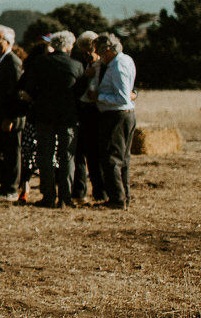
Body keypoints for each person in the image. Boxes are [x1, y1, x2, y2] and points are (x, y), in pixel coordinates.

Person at [18, 29, 85, 208]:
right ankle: (66, 197)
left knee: (45, 156)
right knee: (67, 157)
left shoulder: (40, 63)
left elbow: (29, 89)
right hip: (68, 116)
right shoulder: (76, 65)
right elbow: (80, 92)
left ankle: (48, 196)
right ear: (69, 46)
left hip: (43, 115)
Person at [92, 33, 138, 208]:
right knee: (123, 159)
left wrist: (99, 97)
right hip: (125, 115)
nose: (99, 57)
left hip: (116, 115)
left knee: (111, 158)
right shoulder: (125, 60)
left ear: (108, 50)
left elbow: (122, 98)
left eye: (100, 53)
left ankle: (117, 199)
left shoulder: (118, 66)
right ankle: (124, 196)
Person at [0, 26, 24, 196]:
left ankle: (12, 188)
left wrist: (10, 117)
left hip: (9, 116)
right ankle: (5, 184)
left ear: (8, 42)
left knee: (12, 152)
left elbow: (16, 91)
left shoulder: (13, 62)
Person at [71, 31, 104, 206]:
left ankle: (100, 191)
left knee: (95, 155)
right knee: (80, 154)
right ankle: (80, 192)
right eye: (85, 50)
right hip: (82, 110)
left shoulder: (104, 63)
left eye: (90, 50)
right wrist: (86, 77)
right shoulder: (80, 64)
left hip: (97, 112)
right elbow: (76, 88)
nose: (88, 53)